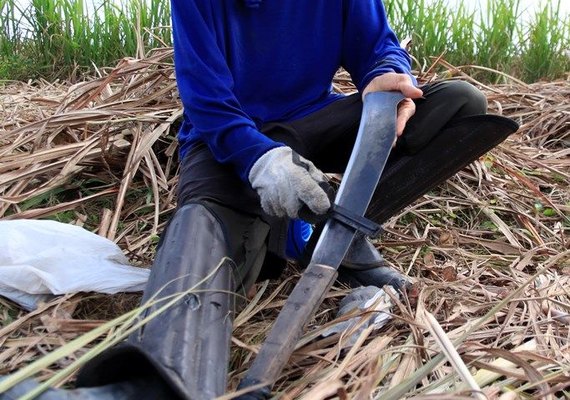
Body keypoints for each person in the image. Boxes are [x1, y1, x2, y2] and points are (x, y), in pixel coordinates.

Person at [1, 1, 517, 399]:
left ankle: (333, 234)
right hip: (228, 138)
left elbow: (376, 45)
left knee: (459, 104)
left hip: (313, 122)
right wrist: (259, 159)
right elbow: (206, 101)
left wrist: (386, 77)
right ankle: (153, 380)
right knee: (202, 241)